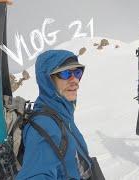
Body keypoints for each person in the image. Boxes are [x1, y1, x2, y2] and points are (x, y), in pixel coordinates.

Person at [16, 50, 92, 179]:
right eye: (65, 73)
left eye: (77, 72)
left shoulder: (62, 115)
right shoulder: (44, 126)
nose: (74, 80)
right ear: (48, 80)